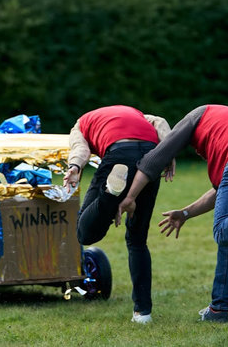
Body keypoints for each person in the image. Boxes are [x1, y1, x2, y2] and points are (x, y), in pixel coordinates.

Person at [118, 104, 228, 323]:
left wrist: (129, 197)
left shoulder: (195, 116)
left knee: (223, 232)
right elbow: (221, 191)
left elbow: (154, 160)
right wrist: (185, 213)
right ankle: (218, 311)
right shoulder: (221, 126)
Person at [63, 105, 174, 324]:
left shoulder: (81, 123)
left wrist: (75, 166)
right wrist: (167, 152)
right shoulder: (137, 114)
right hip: (152, 155)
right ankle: (143, 313)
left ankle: (110, 193)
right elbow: (160, 122)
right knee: (137, 239)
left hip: (119, 154)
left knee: (85, 233)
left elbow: (81, 149)